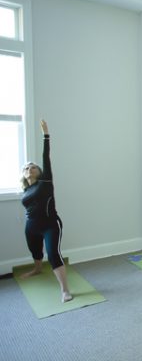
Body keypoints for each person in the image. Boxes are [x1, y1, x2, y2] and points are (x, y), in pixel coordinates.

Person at [20, 120, 72, 303]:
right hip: (31, 226)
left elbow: (46, 157)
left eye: (33, 166)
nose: (29, 168)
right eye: (26, 167)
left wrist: (46, 135)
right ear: (23, 174)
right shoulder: (26, 190)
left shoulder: (45, 182)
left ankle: (65, 290)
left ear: (40, 171)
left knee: (53, 254)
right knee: (35, 250)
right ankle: (37, 268)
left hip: (50, 224)